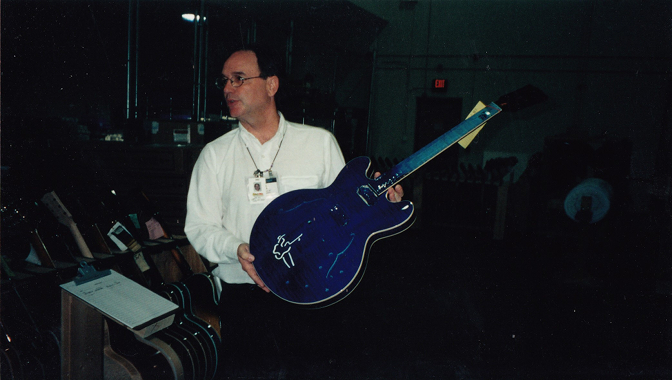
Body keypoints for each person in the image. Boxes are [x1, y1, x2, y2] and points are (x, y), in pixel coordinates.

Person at [184, 45, 404, 375]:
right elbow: (199, 227)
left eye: (239, 79)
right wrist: (237, 249)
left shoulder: (319, 143)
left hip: (313, 297)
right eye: (225, 81)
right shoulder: (214, 156)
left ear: (271, 85)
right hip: (244, 299)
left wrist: (383, 203)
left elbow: (349, 215)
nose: (228, 88)